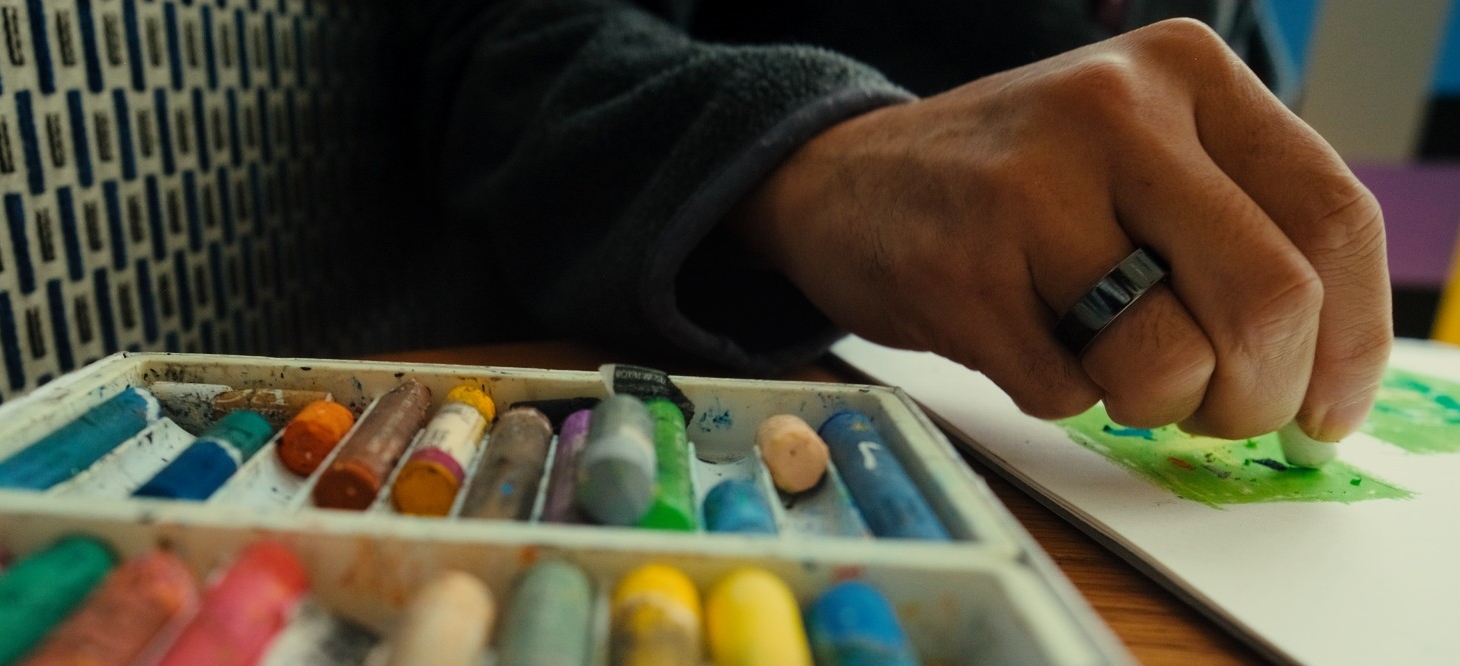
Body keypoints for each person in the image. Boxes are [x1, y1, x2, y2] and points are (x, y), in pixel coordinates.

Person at [412, 1, 1391, 445]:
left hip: (1081, 509)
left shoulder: (1246, 32)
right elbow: (503, 44)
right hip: (754, 401)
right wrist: (818, 161)